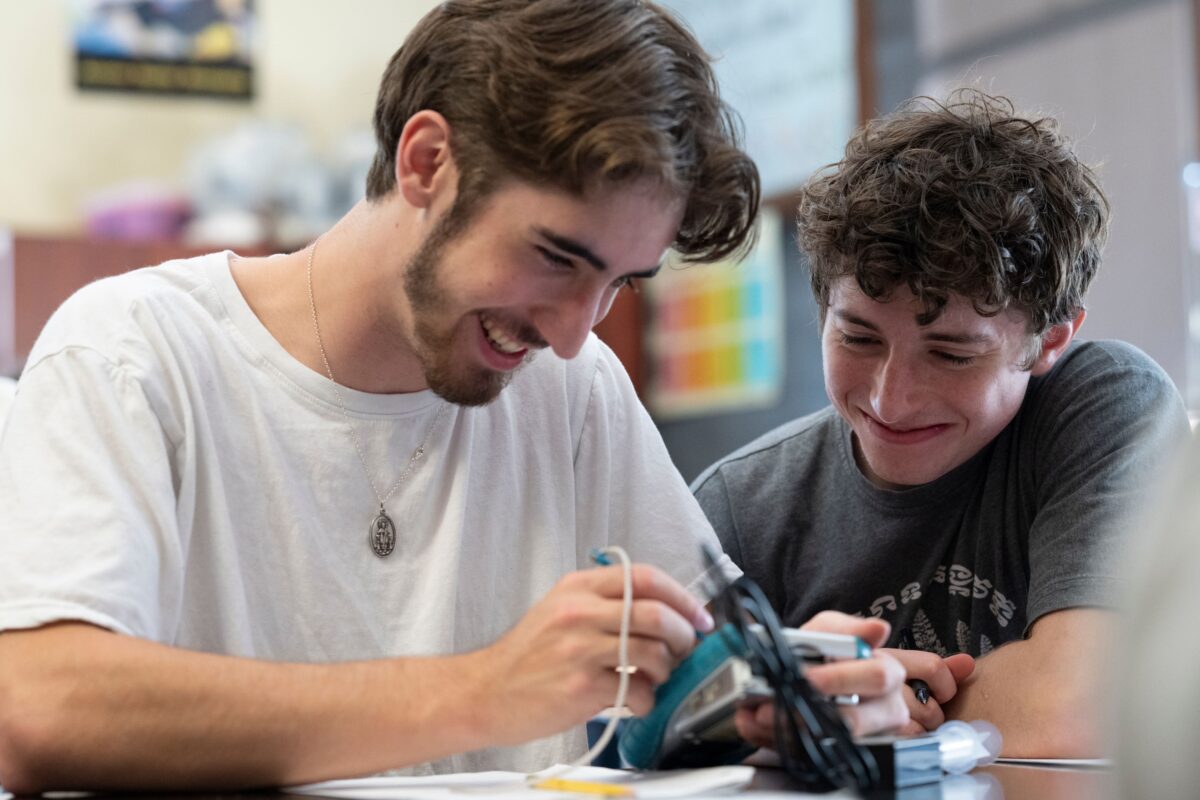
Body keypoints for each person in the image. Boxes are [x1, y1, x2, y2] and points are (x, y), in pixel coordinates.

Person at [0, 1, 906, 793]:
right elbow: (37, 710)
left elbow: (693, 680)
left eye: (618, 284)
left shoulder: (574, 387)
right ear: (427, 161)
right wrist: (486, 690)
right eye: (556, 257)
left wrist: (783, 696)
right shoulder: (134, 352)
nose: (571, 333)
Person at [693, 89, 1190, 758]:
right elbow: (637, 729)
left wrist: (850, 704)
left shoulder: (1105, 406)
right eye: (858, 338)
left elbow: (1082, 704)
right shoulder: (739, 504)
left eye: (952, 355)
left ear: (1050, 341)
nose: (891, 400)